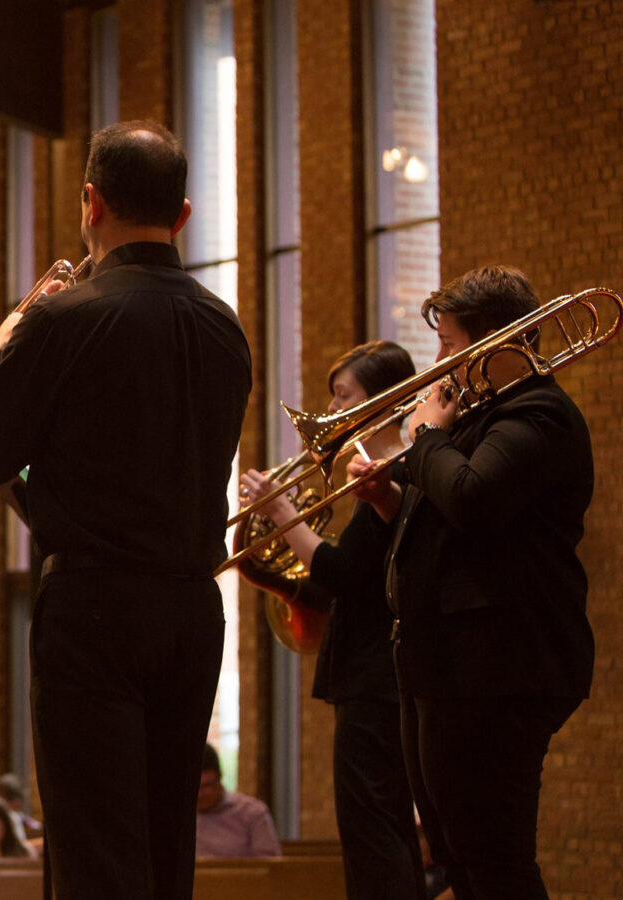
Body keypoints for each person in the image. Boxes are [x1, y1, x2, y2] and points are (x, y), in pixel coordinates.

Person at [0, 120, 251, 898]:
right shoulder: (226, 328)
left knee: (94, 852)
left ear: (90, 203)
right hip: (193, 609)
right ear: (183, 215)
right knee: (162, 849)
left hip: (93, 610)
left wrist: (12, 334)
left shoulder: (64, 318)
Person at [362, 266, 594, 899]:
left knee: (493, 857)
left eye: (449, 344)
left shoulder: (538, 412)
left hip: (499, 669)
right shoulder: (476, 421)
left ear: (492, 341)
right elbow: (446, 525)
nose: (437, 364)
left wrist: (426, 437)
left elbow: (472, 497)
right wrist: (389, 499)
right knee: (454, 855)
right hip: (441, 667)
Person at [241, 340, 427, 899]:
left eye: (343, 397)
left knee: (373, 834)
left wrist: (282, 513)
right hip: (376, 677)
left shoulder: (393, 472)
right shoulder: (385, 471)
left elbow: (342, 573)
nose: (329, 414)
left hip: (376, 682)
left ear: (380, 399)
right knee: (382, 830)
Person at [193, 744, 280, 858]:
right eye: (194, 789)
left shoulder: (251, 812)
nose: (199, 794)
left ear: (219, 777)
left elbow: (269, 865)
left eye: (206, 786)